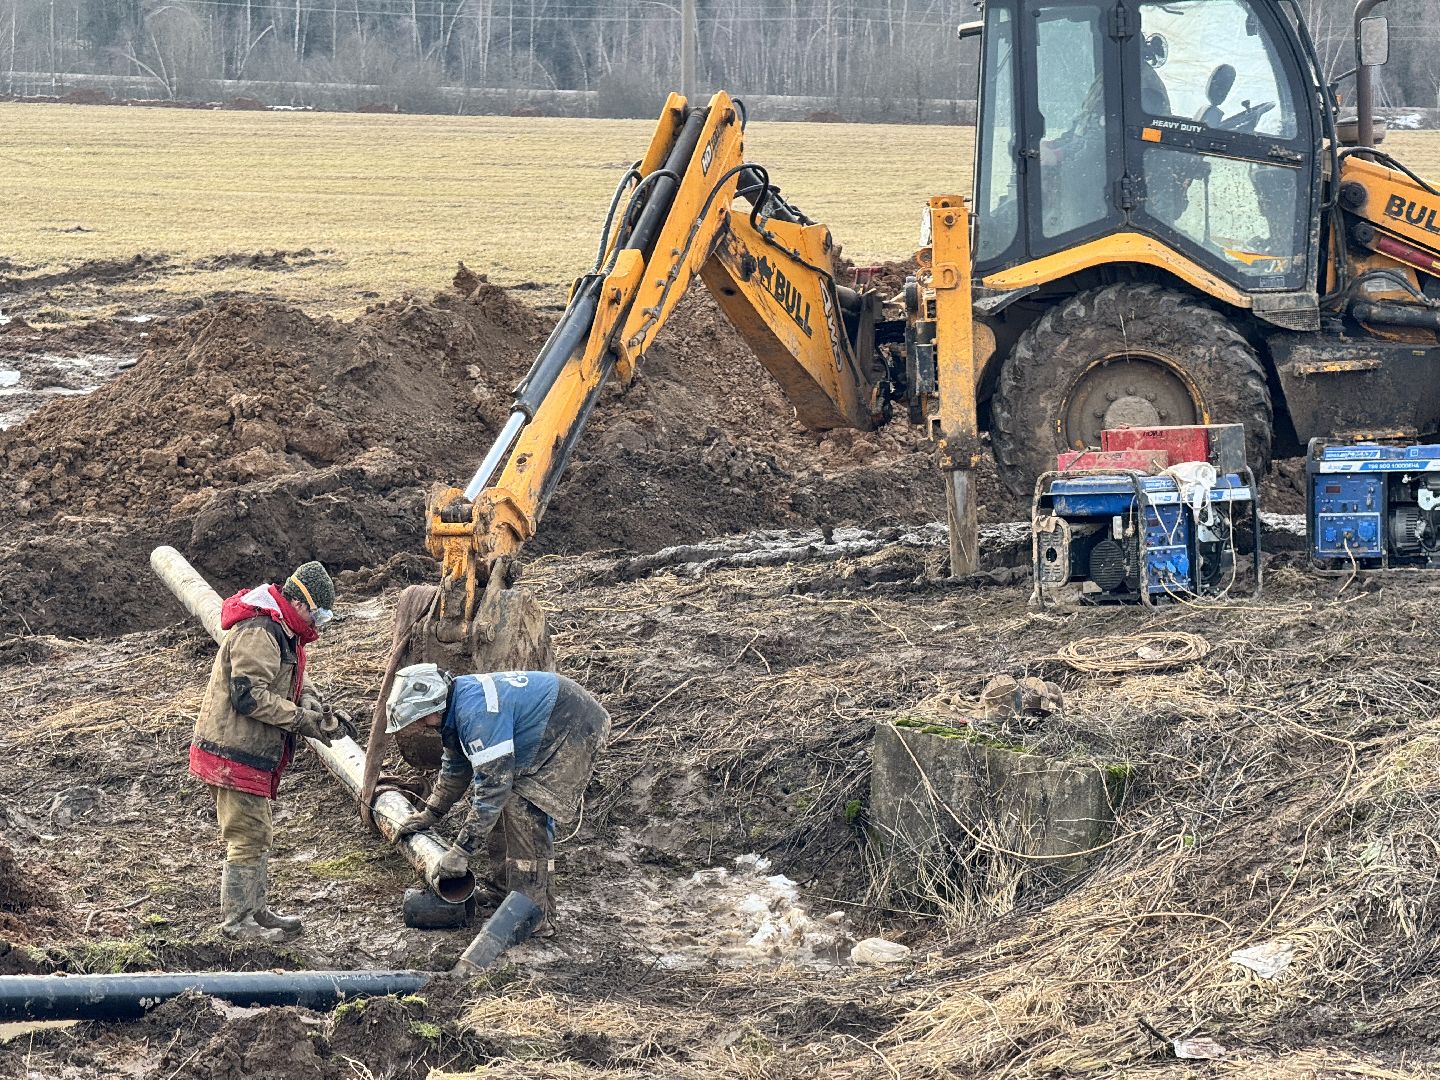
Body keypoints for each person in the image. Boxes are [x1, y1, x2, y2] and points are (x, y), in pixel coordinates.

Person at [386, 665, 610, 934]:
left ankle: (534, 915)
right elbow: (456, 768)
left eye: (421, 717)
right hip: (550, 721)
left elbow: (492, 789)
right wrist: (430, 813)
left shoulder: (477, 715)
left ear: (435, 703)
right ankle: (502, 890)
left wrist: (461, 852)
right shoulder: (455, 708)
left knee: (523, 808)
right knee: (504, 807)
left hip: (572, 724)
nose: (421, 724)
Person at [189, 561, 344, 943]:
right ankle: (237, 923)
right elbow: (248, 696)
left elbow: (289, 678)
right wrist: (301, 720)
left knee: (258, 832)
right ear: (301, 603)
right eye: (318, 614)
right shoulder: (261, 630)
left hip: (246, 749)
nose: (318, 623)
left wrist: (311, 702)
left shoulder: (282, 629)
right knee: (247, 835)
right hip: (233, 751)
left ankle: (255, 910)